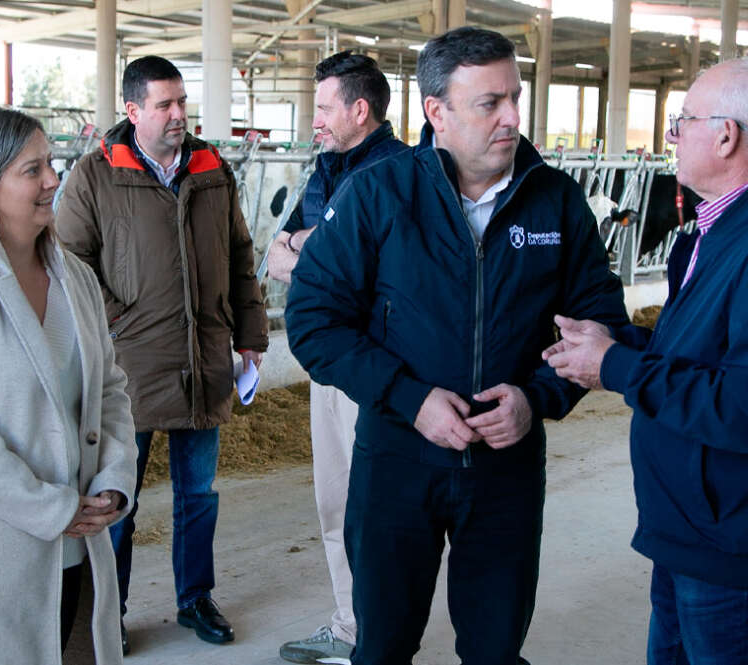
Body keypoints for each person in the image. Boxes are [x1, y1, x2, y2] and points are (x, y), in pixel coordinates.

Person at [285, 27, 633, 665]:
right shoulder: (380, 193)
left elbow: (599, 319)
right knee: (382, 645)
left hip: (507, 472)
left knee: (495, 649)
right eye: (488, 103)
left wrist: (537, 398)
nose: (510, 119)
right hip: (396, 463)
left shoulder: (554, 201)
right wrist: (409, 399)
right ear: (435, 111)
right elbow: (313, 318)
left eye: (514, 98)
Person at [544, 57, 748, 665]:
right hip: (701, 527)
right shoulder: (731, 232)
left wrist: (616, 368)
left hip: (736, 541)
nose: (671, 136)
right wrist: (617, 347)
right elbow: (712, 361)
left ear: (726, 135)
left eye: (682, 119)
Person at [56, 55, 269, 651]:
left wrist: (250, 335)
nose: (179, 115)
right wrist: (119, 323)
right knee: (120, 495)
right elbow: (68, 264)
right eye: (164, 105)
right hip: (130, 370)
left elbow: (239, 256)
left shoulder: (210, 168)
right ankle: (109, 612)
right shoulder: (96, 176)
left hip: (204, 362)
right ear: (132, 110)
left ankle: (195, 599)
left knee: (198, 494)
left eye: (182, 102)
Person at [0, 107, 137, 664]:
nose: (53, 180)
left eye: (51, 164)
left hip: (83, 545)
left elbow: (111, 390)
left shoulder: (76, 278)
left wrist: (116, 480)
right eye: (32, 170)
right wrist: (49, 508)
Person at [268, 51, 408, 665]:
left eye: (324, 107)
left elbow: (370, 273)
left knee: (377, 506)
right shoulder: (326, 168)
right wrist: (313, 245)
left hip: (377, 365)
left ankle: (383, 637)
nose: (315, 119)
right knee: (335, 500)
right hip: (327, 363)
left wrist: (311, 251)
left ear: (359, 108)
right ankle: (351, 627)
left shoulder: (404, 172)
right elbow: (277, 254)